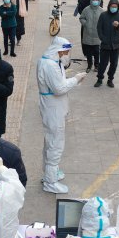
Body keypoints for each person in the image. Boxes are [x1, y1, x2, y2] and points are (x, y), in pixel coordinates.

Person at [37, 37, 87, 194]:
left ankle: (50, 172)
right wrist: (76, 79)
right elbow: (58, 88)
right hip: (53, 109)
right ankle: (50, 182)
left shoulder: (51, 61)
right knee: (55, 143)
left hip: (54, 107)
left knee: (51, 140)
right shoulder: (50, 65)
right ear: (58, 50)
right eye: (65, 51)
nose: (66, 54)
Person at [95, 0, 119, 88]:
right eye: (112, 6)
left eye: (115, 6)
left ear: (118, 7)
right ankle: (99, 78)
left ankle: (110, 79)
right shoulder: (103, 15)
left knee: (114, 63)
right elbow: (99, 28)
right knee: (103, 63)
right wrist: (102, 39)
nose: (113, 8)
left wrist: (118, 25)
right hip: (105, 44)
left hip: (116, 44)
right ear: (109, 6)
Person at [80, 0, 103, 73]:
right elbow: (81, 18)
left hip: (97, 35)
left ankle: (96, 65)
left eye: (96, 0)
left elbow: (104, 22)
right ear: (91, 0)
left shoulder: (101, 10)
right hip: (88, 35)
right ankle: (89, 65)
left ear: (99, 0)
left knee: (97, 52)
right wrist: (86, 23)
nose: (95, 1)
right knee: (88, 52)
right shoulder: (86, 9)